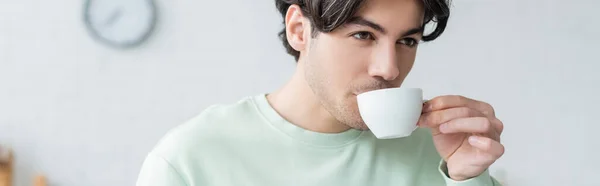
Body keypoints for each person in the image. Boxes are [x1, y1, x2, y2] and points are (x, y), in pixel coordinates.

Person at [136, 0, 505, 185]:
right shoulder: (190, 162)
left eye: (407, 40)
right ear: (299, 30)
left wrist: (467, 180)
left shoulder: (442, 155)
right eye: (363, 35)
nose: (390, 69)